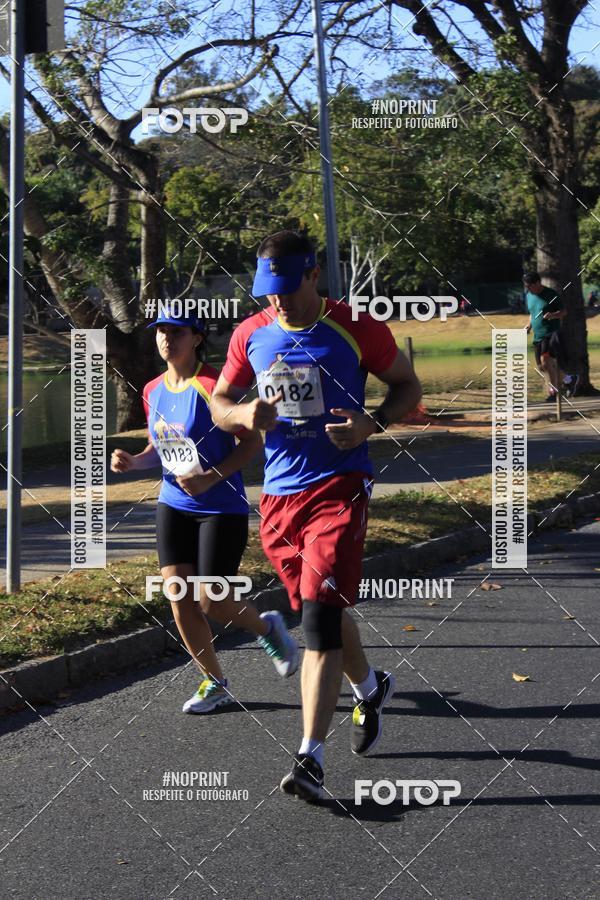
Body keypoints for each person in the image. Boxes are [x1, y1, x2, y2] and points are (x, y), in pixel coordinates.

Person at [210, 231, 423, 802]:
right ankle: (370, 686)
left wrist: (371, 424)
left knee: (318, 624)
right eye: (266, 291)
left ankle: (310, 758)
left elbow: (408, 385)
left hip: (340, 488)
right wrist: (239, 413)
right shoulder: (250, 334)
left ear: (313, 275)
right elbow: (219, 401)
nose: (276, 301)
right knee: (314, 607)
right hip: (279, 499)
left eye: (285, 288)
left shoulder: (355, 327)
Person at [110, 306, 298, 714]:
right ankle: (215, 682)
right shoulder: (152, 389)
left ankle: (269, 628)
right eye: (161, 331)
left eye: (176, 332)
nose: (166, 339)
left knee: (212, 600)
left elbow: (252, 445)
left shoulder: (213, 387)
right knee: (179, 596)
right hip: (173, 504)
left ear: (196, 337)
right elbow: (158, 450)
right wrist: (133, 461)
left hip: (220, 507)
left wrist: (210, 478)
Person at [523, 271, 578, 400]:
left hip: (551, 332)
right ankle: (569, 379)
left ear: (538, 282)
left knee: (545, 360)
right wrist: (529, 326)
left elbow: (564, 312)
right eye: (526, 285)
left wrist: (553, 315)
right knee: (542, 366)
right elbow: (532, 313)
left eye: (529, 285)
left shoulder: (551, 294)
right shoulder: (529, 295)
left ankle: (554, 392)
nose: (527, 288)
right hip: (538, 336)